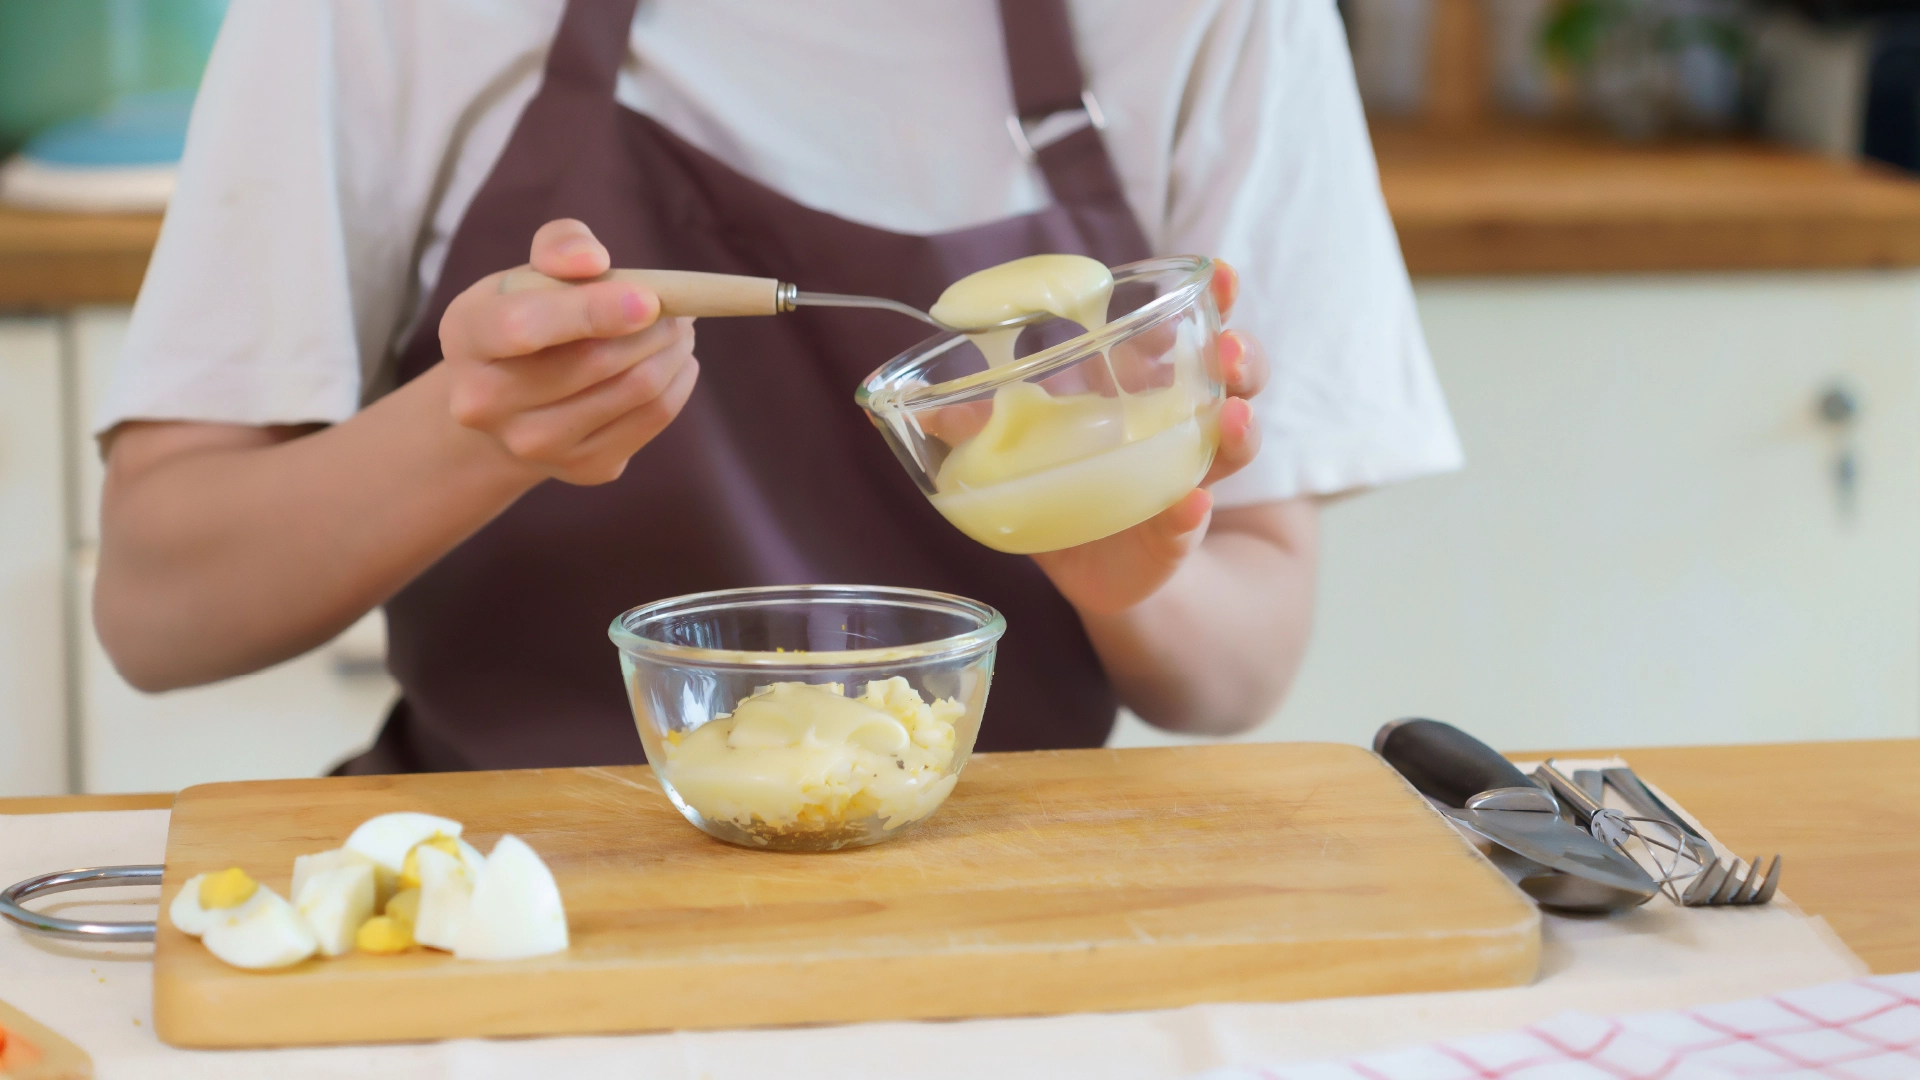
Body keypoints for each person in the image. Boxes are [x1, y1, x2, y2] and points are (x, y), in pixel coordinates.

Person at [92, 0, 1460, 773]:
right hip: (509, 910)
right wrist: (474, 431)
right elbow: (159, 614)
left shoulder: (1213, 21)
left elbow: (1244, 668)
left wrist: (1127, 576)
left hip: (1025, 918)